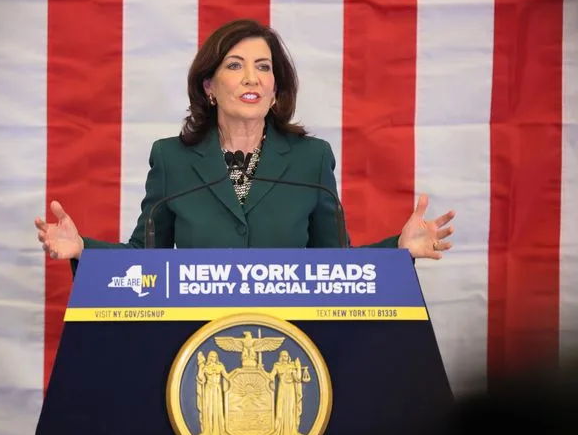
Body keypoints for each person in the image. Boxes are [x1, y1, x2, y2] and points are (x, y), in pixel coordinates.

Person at [35, 19, 455, 264]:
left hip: (291, 341)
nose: (252, 77)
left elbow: (335, 266)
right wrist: (81, 249)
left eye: (263, 67)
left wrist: (398, 252)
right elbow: (147, 261)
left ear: (275, 89)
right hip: (195, 343)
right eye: (235, 65)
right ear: (209, 86)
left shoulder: (312, 159)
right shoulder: (171, 159)